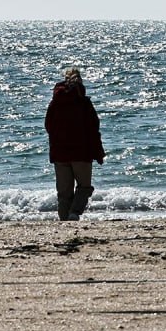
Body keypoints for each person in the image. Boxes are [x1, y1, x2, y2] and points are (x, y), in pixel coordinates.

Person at [44, 66, 106, 221]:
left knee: (64, 193)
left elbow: (48, 126)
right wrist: (98, 153)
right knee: (84, 187)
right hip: (81, 152)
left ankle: (64, 220)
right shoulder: (84, 103)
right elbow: (94, 130)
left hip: (59, 153)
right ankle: (74, 213)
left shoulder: (55, 103)